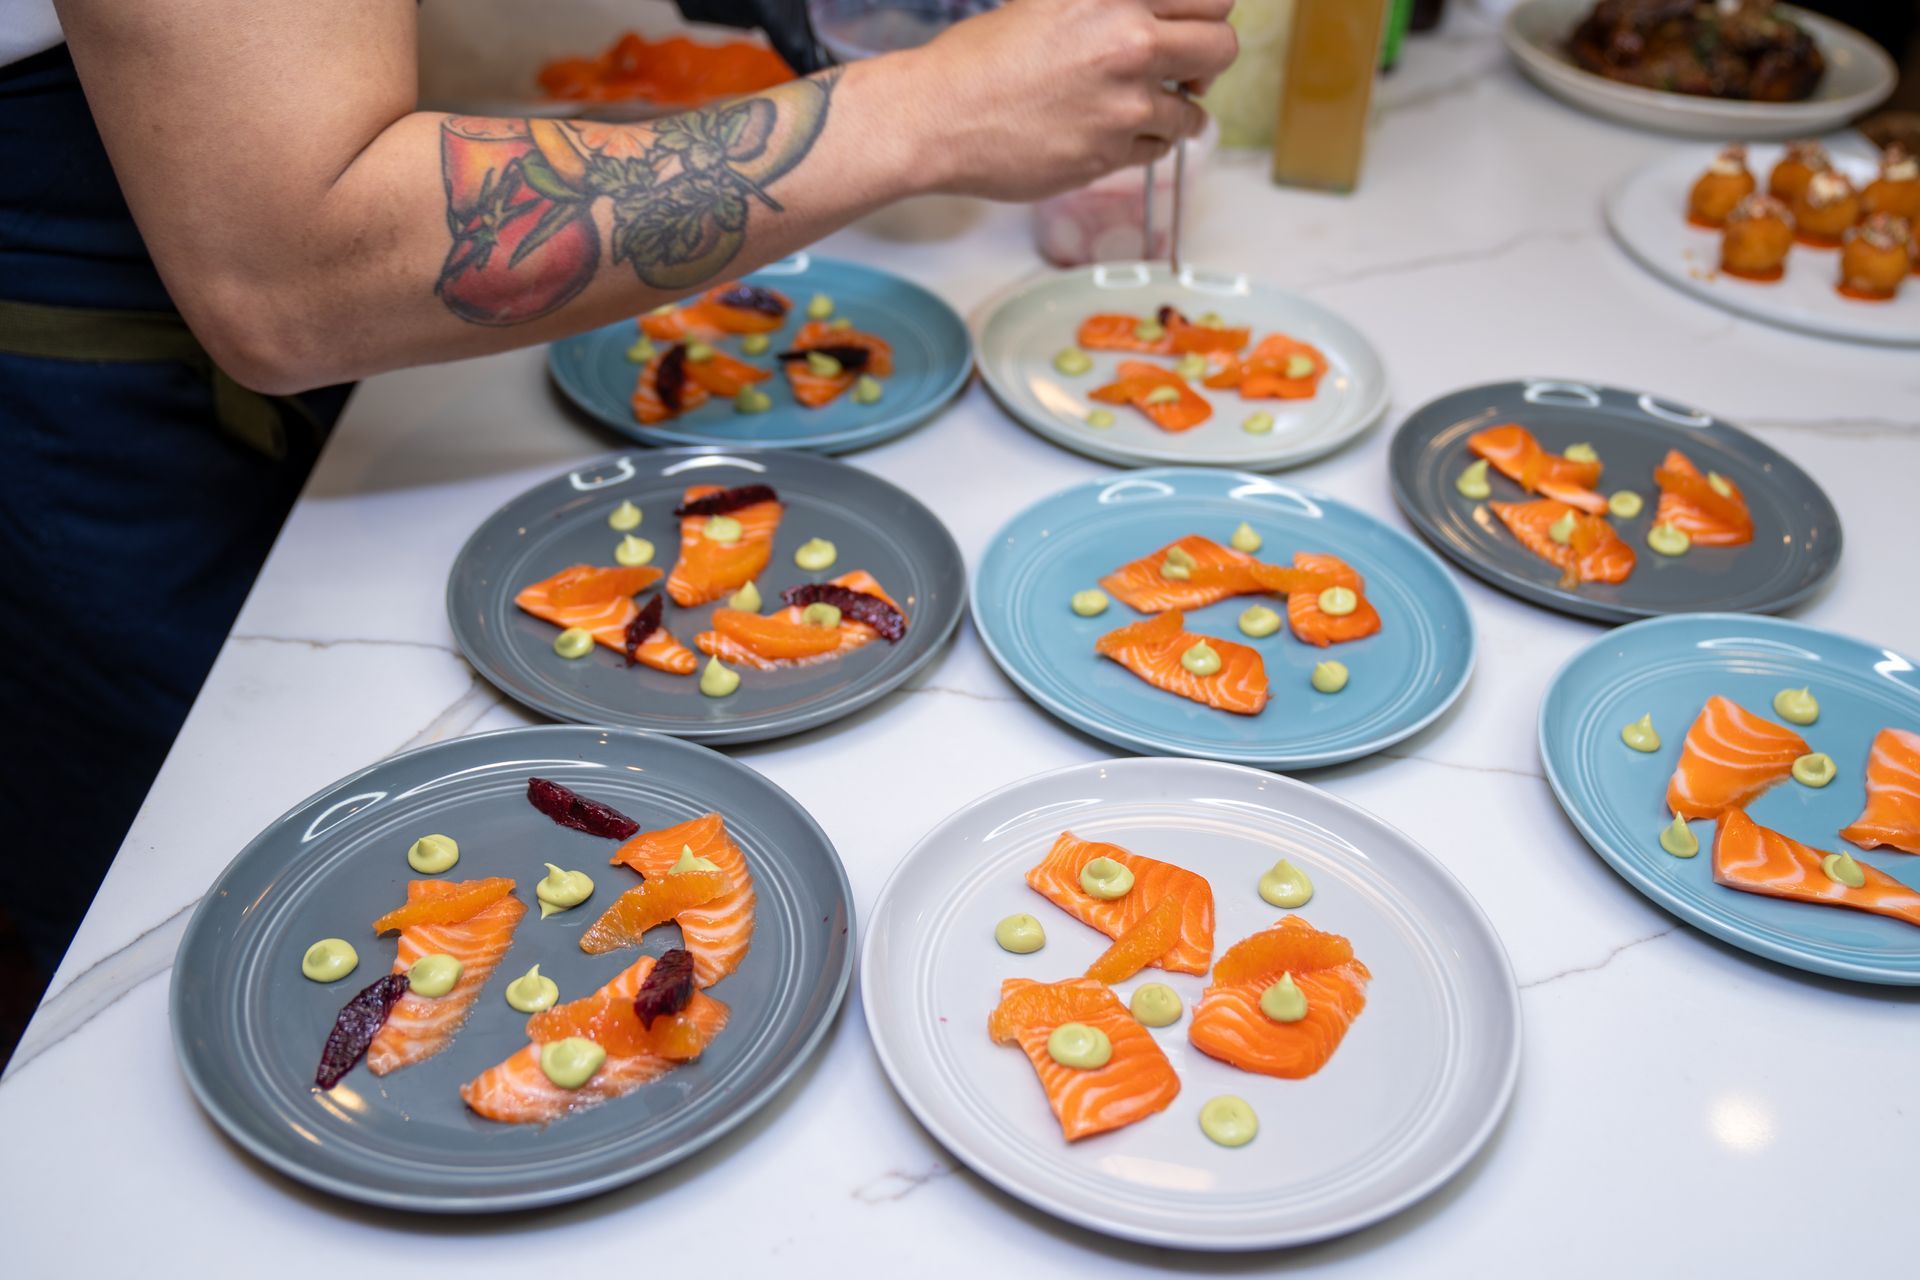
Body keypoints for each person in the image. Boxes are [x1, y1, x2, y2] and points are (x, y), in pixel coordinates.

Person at [0, 0, 1236, 1054]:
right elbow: (295, 269)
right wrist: (935, 105)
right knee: (175, 961)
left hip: (356, 297)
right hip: (101, 385)